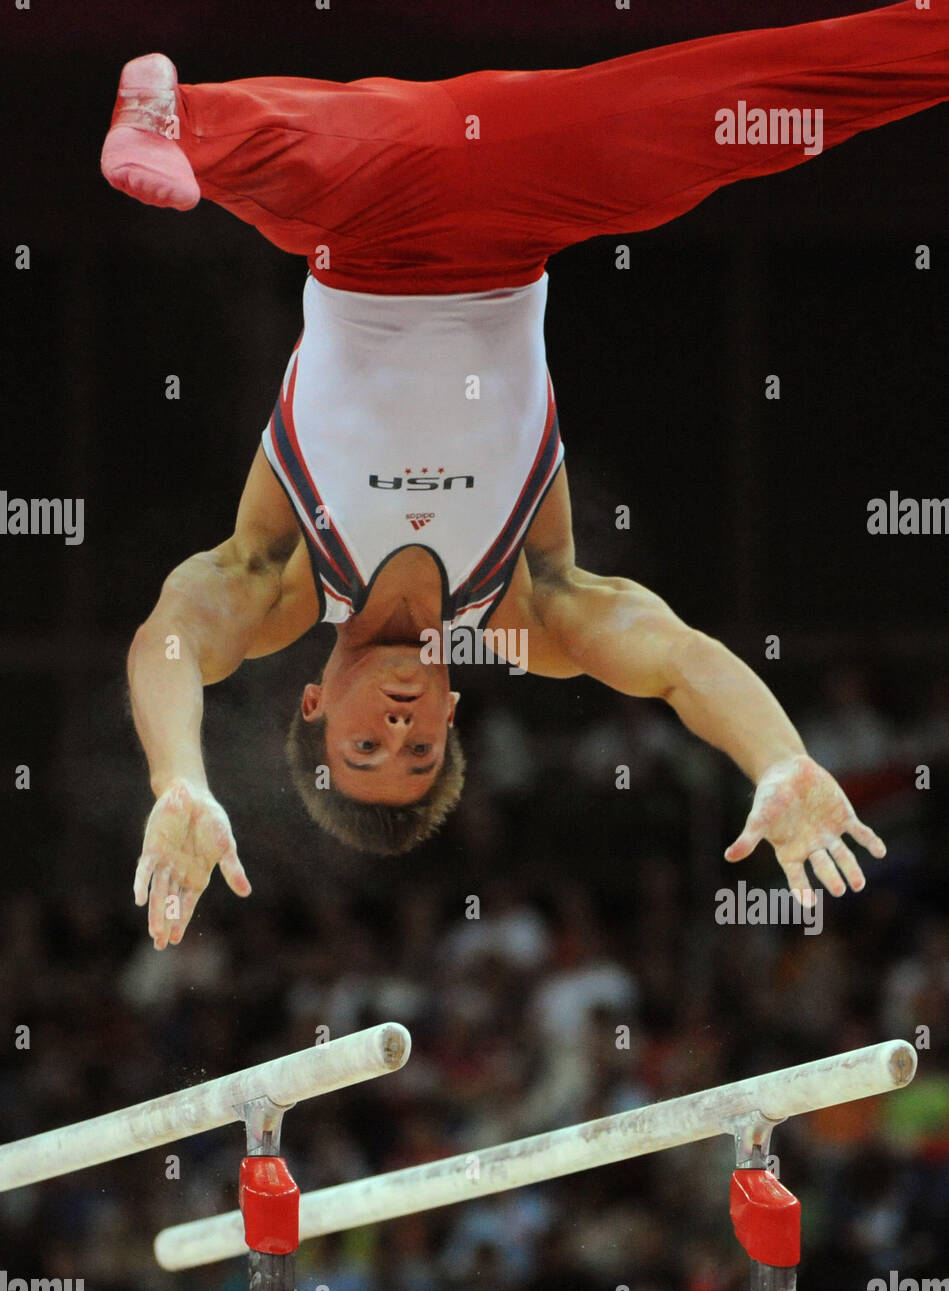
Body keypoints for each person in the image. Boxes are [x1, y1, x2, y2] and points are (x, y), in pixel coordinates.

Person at [107, 3, 946, 947]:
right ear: (454, 709)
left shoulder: (283, 586)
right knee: (754, 110)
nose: (398, 725)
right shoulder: (524, 610)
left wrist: (177, 778)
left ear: (312, 707)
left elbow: (171, 636)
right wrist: (780, 758)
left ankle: (177, 118)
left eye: (366, 747)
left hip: (361, 230)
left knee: (319, 163)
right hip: (518, 213)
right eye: (420, 750)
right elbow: (675, 661)